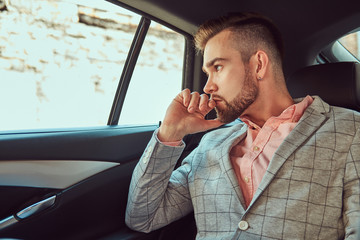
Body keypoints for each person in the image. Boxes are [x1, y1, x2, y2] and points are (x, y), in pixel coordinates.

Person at [125, 12, 360, 239]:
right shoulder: (210, 145)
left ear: (258, 64)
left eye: (217, 68)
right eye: (207, 72)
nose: (207, 87)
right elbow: (143, 217)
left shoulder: (350, 131)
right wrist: (169, 133)